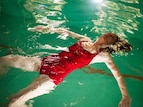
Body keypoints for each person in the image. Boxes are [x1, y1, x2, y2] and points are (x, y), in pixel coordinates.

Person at [0, 25, 132, 107]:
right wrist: (46, 28)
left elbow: (118, 75)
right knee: (4, 60)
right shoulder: (84, 39)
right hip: (44, 62)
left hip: (52, 78)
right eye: (110, 33)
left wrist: (125, 95)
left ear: (110, 45)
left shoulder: (102, 56)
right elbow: (66, 31)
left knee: (13, 102)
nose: (108, 34)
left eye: (111, 37)